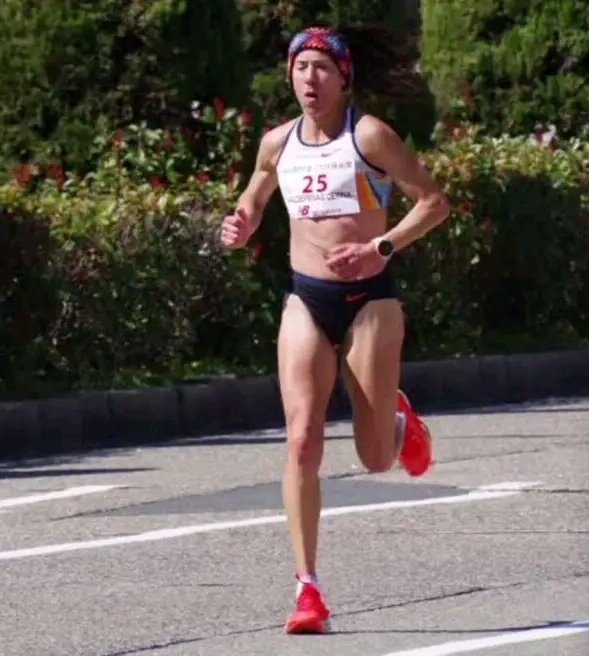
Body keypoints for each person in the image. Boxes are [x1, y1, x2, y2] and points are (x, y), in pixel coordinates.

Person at [220, 25, 451, 634]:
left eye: (322, 68)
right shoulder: (277, 144)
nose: (310, 79)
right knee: (301, 439)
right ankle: (308, 590)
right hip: (308, 298)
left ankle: (397, 420)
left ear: (344, 78)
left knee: (375, 458)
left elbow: (433, 202)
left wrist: (381, 246)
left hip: (371, 300)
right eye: (301, 68)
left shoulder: (368, 136)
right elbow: (253, 200)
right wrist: (239, 224)